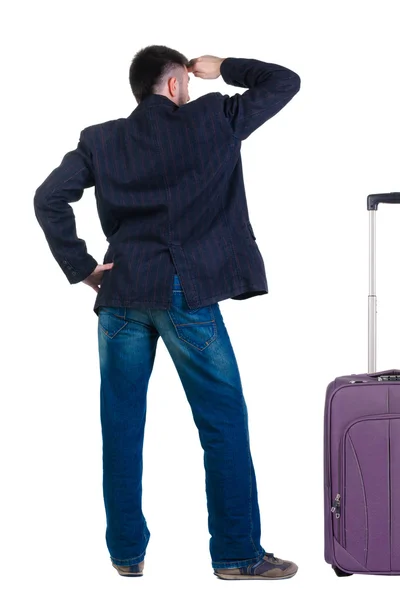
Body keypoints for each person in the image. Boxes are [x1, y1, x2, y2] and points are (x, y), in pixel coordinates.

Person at [33, 45, 301, 580]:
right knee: (223, 423)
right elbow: (283, 81)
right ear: (177, 84)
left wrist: (83, 267)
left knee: (122, 425)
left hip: (121, 294)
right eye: (189, 82)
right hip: (186, 293)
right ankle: (237, 555)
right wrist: (222, 67)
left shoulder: (101, 139)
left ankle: (126, 554)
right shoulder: (214, 118)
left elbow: (48, 198)